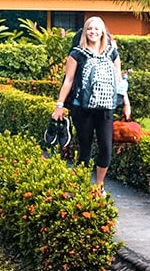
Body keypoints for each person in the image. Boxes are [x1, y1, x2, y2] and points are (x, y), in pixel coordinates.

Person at [51, 16, 131, 189]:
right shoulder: (77, 54)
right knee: (85, 147)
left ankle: (99, 186)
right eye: (89, 29)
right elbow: (68, 80)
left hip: (106, 107)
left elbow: (118, 80)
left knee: (106, 147)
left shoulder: (112, 53)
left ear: (103, 32)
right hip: (82, 108)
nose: (93, 32)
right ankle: (80, 185)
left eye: (96, 29)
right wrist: (60, 106)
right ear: (85, 32)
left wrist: (126, 103)